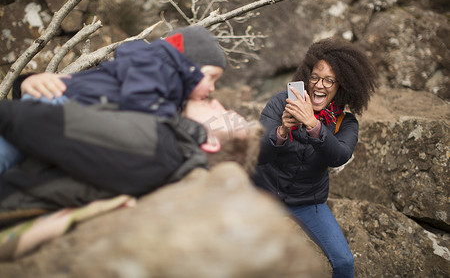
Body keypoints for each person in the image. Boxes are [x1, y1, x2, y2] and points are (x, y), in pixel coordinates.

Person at [0, 97, 262, 228]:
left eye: (225, 113)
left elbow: (31, 122)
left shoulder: (157, 144)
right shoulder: (171, 167)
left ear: (211, 143)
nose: (216, 101)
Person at [0, 25, 227, 174]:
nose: (213, 89)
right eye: (211, 77)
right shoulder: (154, 70)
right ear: (187, 66)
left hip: (64, 118)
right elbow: (141, 105)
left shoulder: (164, 92)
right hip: (60, 105)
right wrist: (192, 129)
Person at [251, 37, 377, 278]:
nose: (320, 85)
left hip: (308, 202)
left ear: (343, 85)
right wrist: (282, 131)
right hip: (262, 193)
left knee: (344, 263)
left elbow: (339, 156)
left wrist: (313, 125)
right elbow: (258, 153)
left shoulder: (347, 123)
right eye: (316, 77)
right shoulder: (281, 103)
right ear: (306, 76)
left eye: (330, 80)